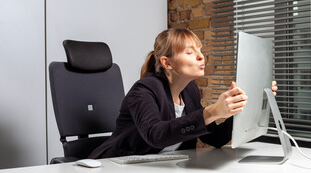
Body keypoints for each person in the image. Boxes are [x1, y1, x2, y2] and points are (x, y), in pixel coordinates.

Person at [89, 28, 276, 159]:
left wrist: (246, 103)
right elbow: (157, 135)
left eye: (200, 50)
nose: (201, 56)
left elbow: (216, 138)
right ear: (167, 63)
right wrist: (212, 111)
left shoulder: (190, 91)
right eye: (190, 52)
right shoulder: (143, 91)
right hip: (116, 169)